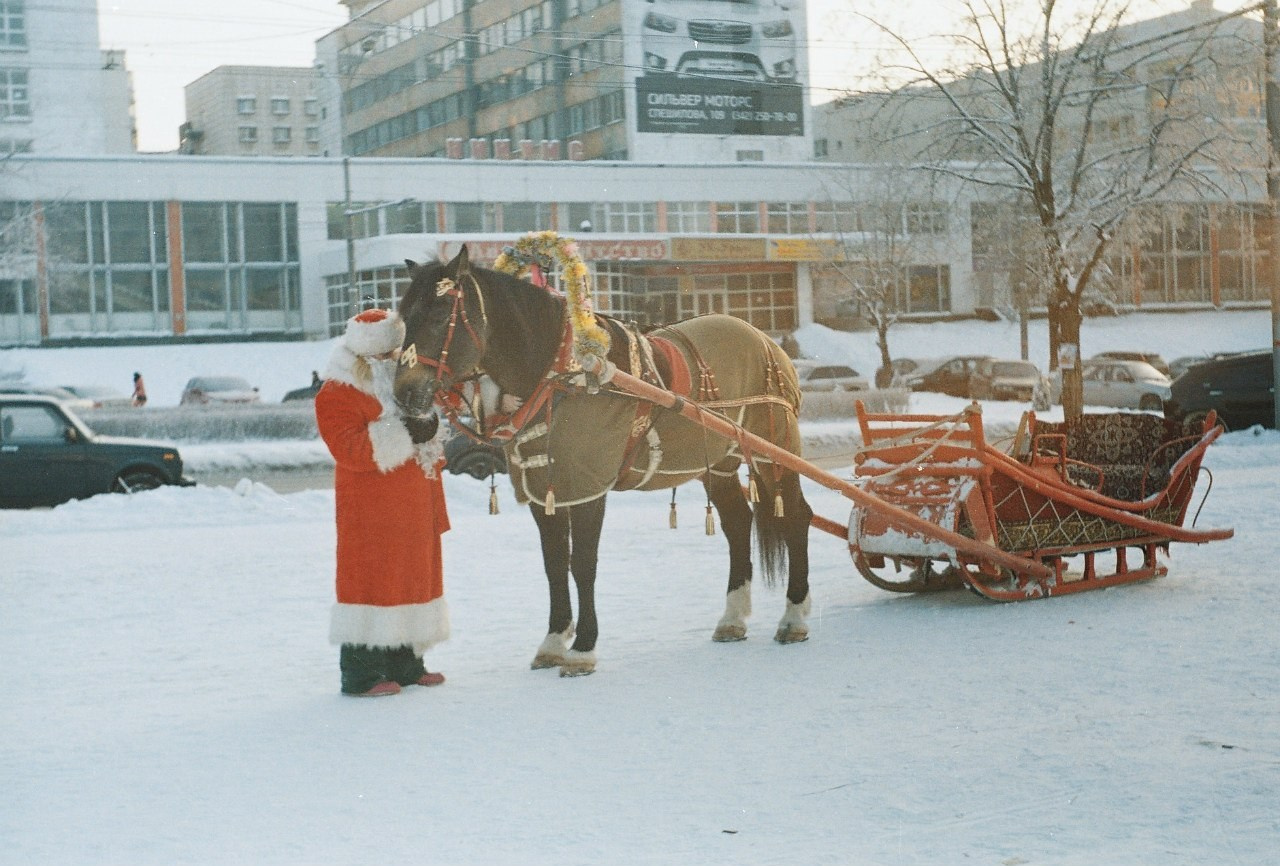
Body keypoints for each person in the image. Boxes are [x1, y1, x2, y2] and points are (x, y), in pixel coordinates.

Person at [315, 308, 450, 697]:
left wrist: (429, 426)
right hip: (369, 510)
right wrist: (404, 431)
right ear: (361, 355)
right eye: (381, 355)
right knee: (372, 583)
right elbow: (349, 449)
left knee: (410, 579)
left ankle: (406, 664)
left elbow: (428, 434)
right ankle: (361, 673)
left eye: (394, 353)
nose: (389, 361)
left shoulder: (409, 383)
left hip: (413, 505)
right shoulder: (336, 392)